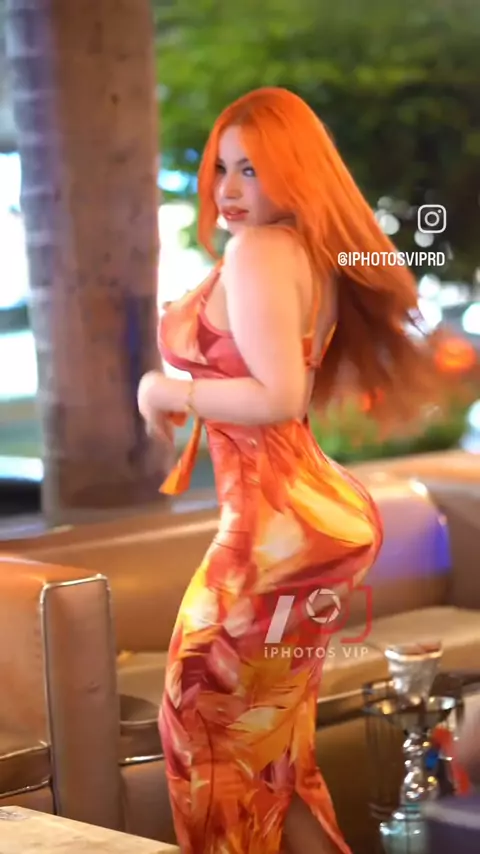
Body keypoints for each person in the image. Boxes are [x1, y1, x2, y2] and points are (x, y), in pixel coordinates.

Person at [137, 87, 439, 854]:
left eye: (254, 169)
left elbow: (278, 396)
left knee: (199, 731)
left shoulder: (262, 251)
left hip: (276, 535)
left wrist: (164, 389)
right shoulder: (301, 250)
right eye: (222, 167)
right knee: (272, 753)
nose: (230, 189)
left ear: (296, 174)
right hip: (304, 522)